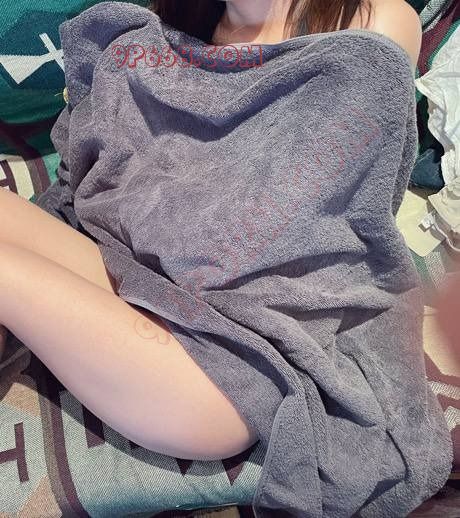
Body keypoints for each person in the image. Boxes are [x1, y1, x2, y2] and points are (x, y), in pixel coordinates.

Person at [0, 0, 422, 461]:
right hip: (134, 277)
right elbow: (121, 175)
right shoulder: (168, 32)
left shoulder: (374, 24)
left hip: (224, 364)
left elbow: (294, 220)